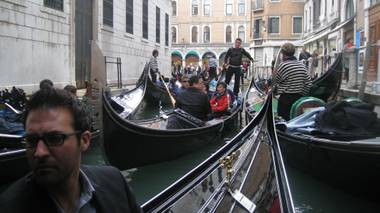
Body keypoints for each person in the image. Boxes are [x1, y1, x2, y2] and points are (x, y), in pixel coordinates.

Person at [0, 88, 142, 213]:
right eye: (31, 141)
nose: (39, 152)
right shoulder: (7, 207)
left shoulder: (115, 181)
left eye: (55, 138)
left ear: (84, 140)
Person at [274, 43, 312, 121]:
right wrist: (301, 95)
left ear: (283, 54)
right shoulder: (302, 65)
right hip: (299, 99)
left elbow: (275, 81)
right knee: (296, 120)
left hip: (285, 100)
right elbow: (308, 84)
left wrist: (275, 92)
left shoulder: (283, 65)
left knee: (284, 121)